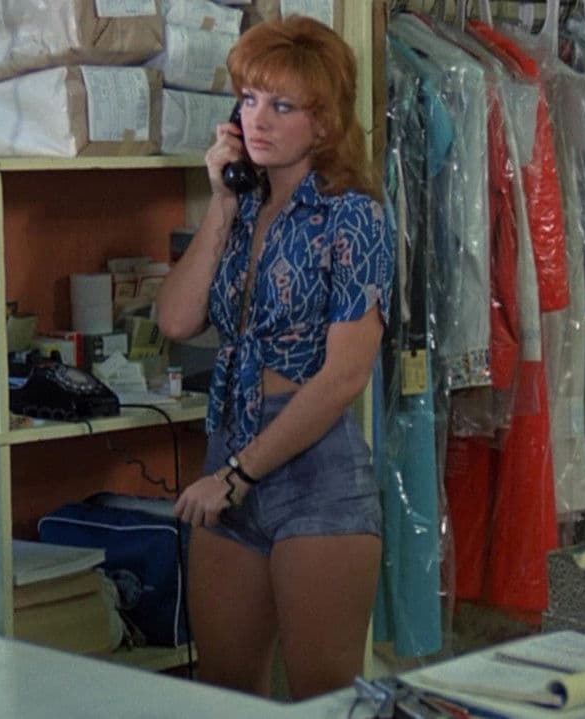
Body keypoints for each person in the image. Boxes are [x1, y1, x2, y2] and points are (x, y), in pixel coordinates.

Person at [155, 16, 394, 700]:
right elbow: (176, 319)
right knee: (225, 694)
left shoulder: (354, 217)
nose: (257, 119)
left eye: (282, 106)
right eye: (250, 99)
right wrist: (221, 204)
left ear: (324, 123)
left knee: (324, 699)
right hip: (229, 444)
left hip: (313, 472)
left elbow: (344, 377)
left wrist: (237, 476)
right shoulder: (244, 202)